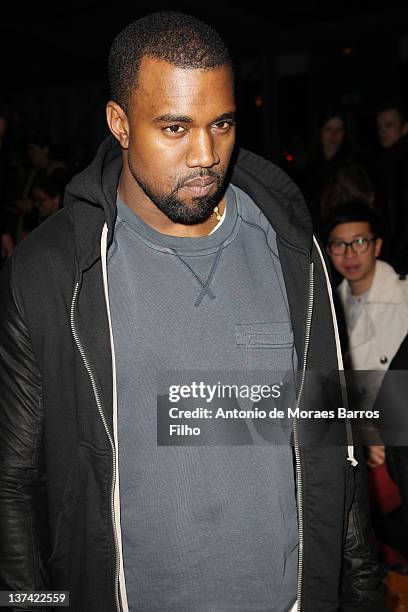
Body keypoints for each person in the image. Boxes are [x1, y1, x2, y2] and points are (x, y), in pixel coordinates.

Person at [0, 12, 386, 612]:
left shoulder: (291, 249)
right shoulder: (51, 271)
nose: (206, 155)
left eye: (222, 124)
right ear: (119, 124)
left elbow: (331, 437)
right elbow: (13, 484)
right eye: (175, 128)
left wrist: (363, 597)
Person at [325, 202, 408, 469]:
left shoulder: (404, 294)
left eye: (359, 242)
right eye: (339, 245)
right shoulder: (328, 309)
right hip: (369, 450)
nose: (350, 254)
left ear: (377, 246)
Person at [374, 103, 408, 272]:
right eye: (379, 127)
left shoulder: (398, 163)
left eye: (389, 125)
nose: (382, 131)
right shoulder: (386, 162)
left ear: (404, 127)